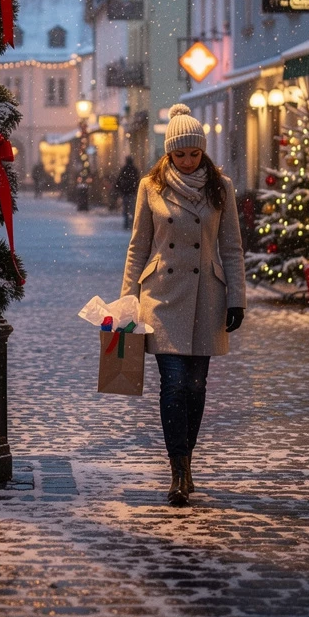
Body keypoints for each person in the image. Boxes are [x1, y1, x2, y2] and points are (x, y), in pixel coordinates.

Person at [120, 104, 246, 507]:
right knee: (174, 385)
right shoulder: (149, 187)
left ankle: (186, 459)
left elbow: (231, 246)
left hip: (207, 296)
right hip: (160, 296)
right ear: (168, 153)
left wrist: (237, 298)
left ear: (202, 151)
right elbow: (139, 246)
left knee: (196, 386)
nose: (188, 161)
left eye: (194, 153)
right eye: (180, 154)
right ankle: (179, 471)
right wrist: (127, 301)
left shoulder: (220, 187)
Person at [115, 155, 141, 229]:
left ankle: (126, 223)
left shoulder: (124, 169)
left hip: (125, 192)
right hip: (132, 192)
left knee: (126, 208)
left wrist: (119, 188)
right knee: (132, 208)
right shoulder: (134, 169)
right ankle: (132, 222)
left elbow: (119, 180)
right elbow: (137, 180)